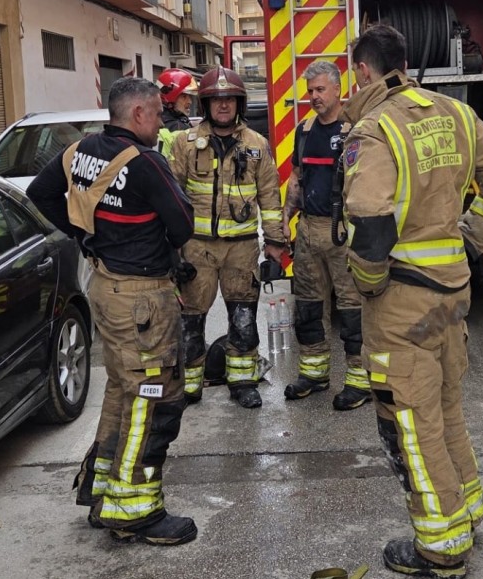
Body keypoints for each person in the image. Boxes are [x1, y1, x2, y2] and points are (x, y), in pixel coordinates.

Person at [342, 24, 483, 579]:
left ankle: (442, 545)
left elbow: (370, 225)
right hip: (451, 292)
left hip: (402, 298)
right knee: (445, 409)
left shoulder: (373, 129)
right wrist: (471, 239)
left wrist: (369, 284)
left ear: (364, 72)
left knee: (408, 421)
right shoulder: (454, 113)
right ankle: (466, 511)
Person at [27, 77, 198, 546]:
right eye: (158, 112)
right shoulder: (145, 163)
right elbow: (183, 226)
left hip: (105, 285)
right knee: (155, 397)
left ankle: (101, 486)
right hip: (142, 296)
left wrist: (85, 235)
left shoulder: (78, 151)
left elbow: (40, 196)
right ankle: (135, 509)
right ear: (139, 114)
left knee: (124, 389)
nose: (162, 120)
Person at [168, 66, 287, 408]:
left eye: (229, 99)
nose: (223, 106)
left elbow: (271, 198)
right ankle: (190, 385)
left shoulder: (256, 145)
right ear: (205, 105)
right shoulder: (184, 144)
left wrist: (276, 247)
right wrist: (171, 250)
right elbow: (171, 196)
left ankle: (242, 381)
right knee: (191, 319)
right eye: (216, 100)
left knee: (243, 317)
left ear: (239, 103)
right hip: (197, 249)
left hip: (242, 249)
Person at [281, 60, 369, 410]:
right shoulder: (304, 131)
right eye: (310, 91)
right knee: (308, 307)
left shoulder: (356, 130)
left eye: (320, 90)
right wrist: (286, 217)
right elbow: (296, 177)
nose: (314, 97)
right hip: (308, 232)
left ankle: (359, 380)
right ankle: (314, 375)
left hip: (344, 232)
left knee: (352, 310)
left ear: (337, 89)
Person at [156, 68, 197, 156]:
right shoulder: (180, 128)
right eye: (184, 96)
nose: (190, 101)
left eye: (189, 96)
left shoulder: (150, 123)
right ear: (170, 96)